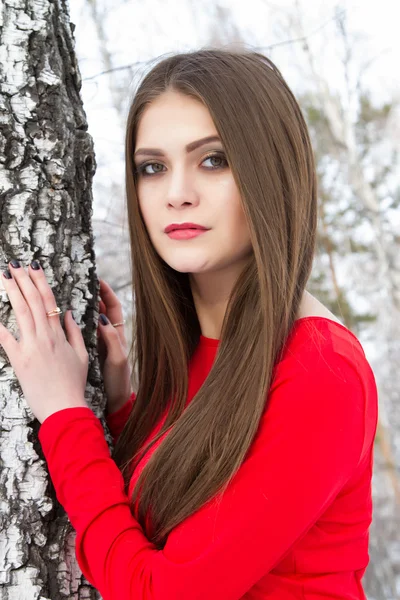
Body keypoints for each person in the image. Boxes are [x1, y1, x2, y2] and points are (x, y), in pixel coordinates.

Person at [37, 48, 378, 599]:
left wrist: (65, 414)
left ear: (270, 171)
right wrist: (124, 410)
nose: (177, 194)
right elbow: (186, 518)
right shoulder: (201, 348)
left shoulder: (320, 372)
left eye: (213, 160)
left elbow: (162, 591)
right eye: (153, 167)